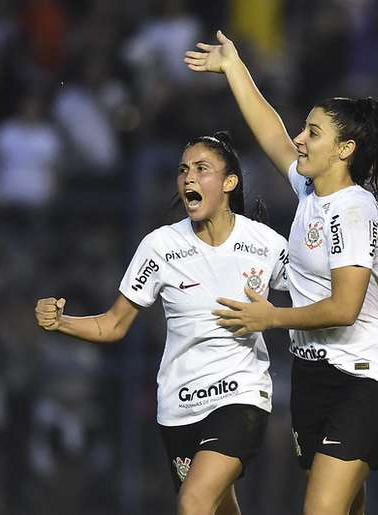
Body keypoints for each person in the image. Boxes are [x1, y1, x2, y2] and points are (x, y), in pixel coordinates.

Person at [185, 31, 378, 515]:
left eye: (313, 132)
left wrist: (269, 318)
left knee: (321, 509)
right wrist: (234, 68)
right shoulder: (311, 190)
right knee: (346, 505)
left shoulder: (351, 210)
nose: (299, 139)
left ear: (345, 149)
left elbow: (346, 308)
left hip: (361, 376)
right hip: (314, 372)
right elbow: (270, 133)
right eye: (303, 129)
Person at [35, 131, 288, 515]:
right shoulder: (160, 246)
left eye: (202, 169)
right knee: (217, 507)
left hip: (241, 394)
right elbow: (114, 324)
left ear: (229, 182)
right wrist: (61, 323)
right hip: (179, 404)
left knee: (194, 501)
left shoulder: (266, 244)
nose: (189, 178)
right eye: (183, 170)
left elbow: (320, 299)